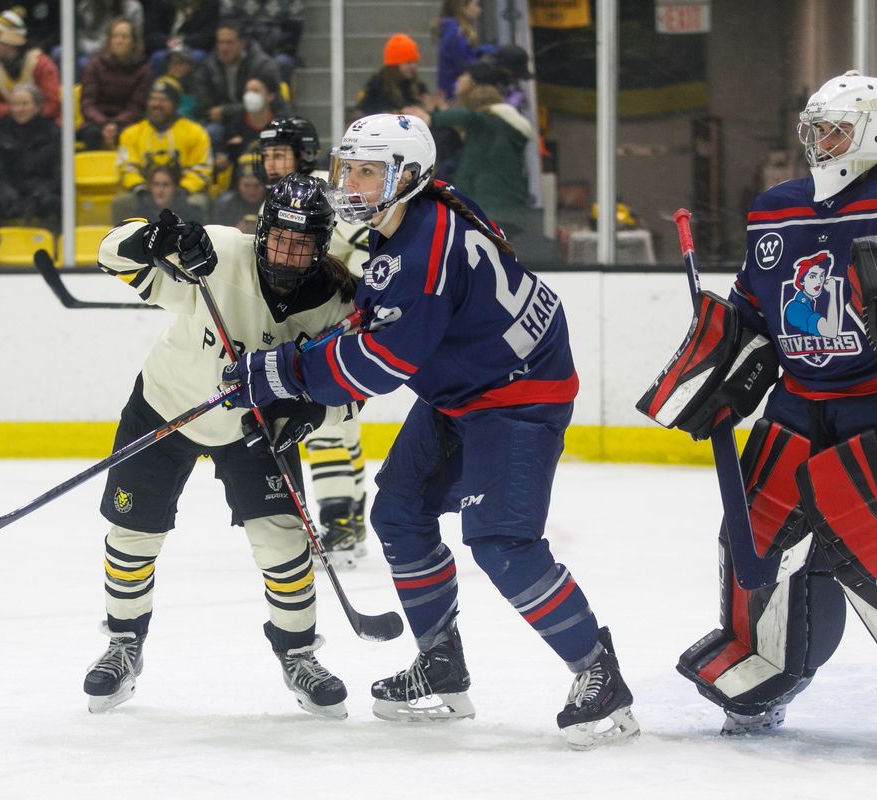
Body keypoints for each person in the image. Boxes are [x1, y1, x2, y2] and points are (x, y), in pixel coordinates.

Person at [222, 113, 641, 750]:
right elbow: (400, 320)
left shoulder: (417, 251)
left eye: (370, 172)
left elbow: (381, 364)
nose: (353, 184)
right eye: (349, 169)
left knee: (502, 540)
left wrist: (281, 371)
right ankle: (441, 665)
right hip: (467, 383)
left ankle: (598, 674)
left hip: (518, 392)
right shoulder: (427, 211)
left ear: (409, 176)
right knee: (398, 513)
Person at [652, 71, 877, 754]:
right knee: (756, 536)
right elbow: (753, 309)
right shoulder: (775, 207)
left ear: (876, 130)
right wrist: (721, 367)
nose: (821, 140)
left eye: (836, 127)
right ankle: (763, 668)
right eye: (813, 128)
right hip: (799, 403)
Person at [84, 172, 358, 716]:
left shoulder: (335, 304)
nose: (287, 251)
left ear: (321, 245)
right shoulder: (217, 254)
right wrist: (154, 240)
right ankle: (123, 643)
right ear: (261, 232)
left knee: (283, 545)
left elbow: (350, 389)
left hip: (254, 428)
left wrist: (309, 411)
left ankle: (298, 653)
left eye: (302, 242)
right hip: (166, 405)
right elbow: (111, 255)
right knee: (132, 533)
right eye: (280, 236)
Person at [256, 116, 371, 568]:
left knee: (327, 429)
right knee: (343, 429)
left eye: (278, 153)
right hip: (315, 325)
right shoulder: (284, 198)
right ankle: (353, 517)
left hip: (334, 322)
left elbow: (363, 248)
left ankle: (341, 520)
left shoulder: (325, 193)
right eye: (265, 153)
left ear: (302, 154)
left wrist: (355, 304)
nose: (270, 162)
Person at [413, 61, 532, 237]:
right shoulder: (502, 128)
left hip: (490, 209)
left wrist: (431, 118)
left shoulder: (488, 123)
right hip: (503, 210)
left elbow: (468, 117)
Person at [113, 76, 212, 221]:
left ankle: (199, 243)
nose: (156, 104)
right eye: (153, 99)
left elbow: (203, 168)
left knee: (198, 202)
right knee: (122, 201)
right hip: (145, 193)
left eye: (163, 100)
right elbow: (126, 168)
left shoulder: (196, 132)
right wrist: (141, 190)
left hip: (183, 194)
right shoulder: (131, 133)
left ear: (175, 104)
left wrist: (182, 190)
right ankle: (119, 242)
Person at [192, 19, 281, 150]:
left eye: (229, 43)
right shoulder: (209, 65)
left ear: (242, 43)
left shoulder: (262, 65)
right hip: (224, 123)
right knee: (209, 132)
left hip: (255, 120)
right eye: (220, 42)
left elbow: (270, 103)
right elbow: (205, 106)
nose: (223, 48)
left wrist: (226, 111)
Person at [0, 83, 60, 229]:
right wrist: (9, 193)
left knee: (54, 204)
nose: (19, 109)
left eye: (25, 104)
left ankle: (55, 248)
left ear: (37, 107)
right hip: (9, 190)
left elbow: (58, 174)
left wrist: (38, 194)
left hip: (41, 192)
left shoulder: (53, 133)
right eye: (15, 104)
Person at [77, 16, 150, 151]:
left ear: (133, 41)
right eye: (116, 36)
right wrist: (105, 123)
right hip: (96, 121)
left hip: (128, 123)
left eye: (124, 37)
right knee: (92, 134)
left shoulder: (143, 70)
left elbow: (137, 106)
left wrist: (115, 124)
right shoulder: (94, 65)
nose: (119, 41)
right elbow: (87, 103)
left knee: (131, 135)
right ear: (109, 40)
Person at [0, 7, 61, 124]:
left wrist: (29, 113)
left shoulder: (39, 63)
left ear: (11, 41)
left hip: (42, 123)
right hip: (8, 124)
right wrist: (16, 112)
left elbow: (53, 103)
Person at [352, 33, 434, 118]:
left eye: (415, 62)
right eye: (408, 62)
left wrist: (430, 109)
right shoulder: (377, 85)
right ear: (394, 65)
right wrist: (396, 113)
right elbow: (360, 114)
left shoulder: (418, 86)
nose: (413, 66)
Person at [431, 0, 492, 103]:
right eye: (476, 5)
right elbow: (464, 66)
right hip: (456, 96)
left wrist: (481, 51)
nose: (480, 10)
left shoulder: (454, 31)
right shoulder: (455, 34)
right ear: (463, 7)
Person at [74, 0, 144, 74]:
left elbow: (137, 39)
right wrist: (96, 48)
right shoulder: (85, 7)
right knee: (83, 62)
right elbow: (80, 39)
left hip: (124, 55)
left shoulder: (133, 8)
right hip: (92, 53)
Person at [124, 162, 201, 222]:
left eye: (166, 185)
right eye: (156, 184)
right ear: (150, 187)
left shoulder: (189, 213)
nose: (161, 190)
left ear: (175, 187)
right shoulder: (138, 214)